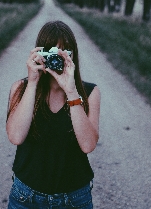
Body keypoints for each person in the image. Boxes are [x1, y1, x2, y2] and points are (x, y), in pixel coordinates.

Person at [6, 21, 100, 209]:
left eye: (64, 53)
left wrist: (72, 92)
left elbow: (88, 145)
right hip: (26, 197)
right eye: (51, 54)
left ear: (73, 57)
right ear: (40, 54)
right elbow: (16, 136)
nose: (56, 61)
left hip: (74, 199)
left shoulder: (90, 92)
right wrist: (32, 82)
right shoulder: (21, 88)